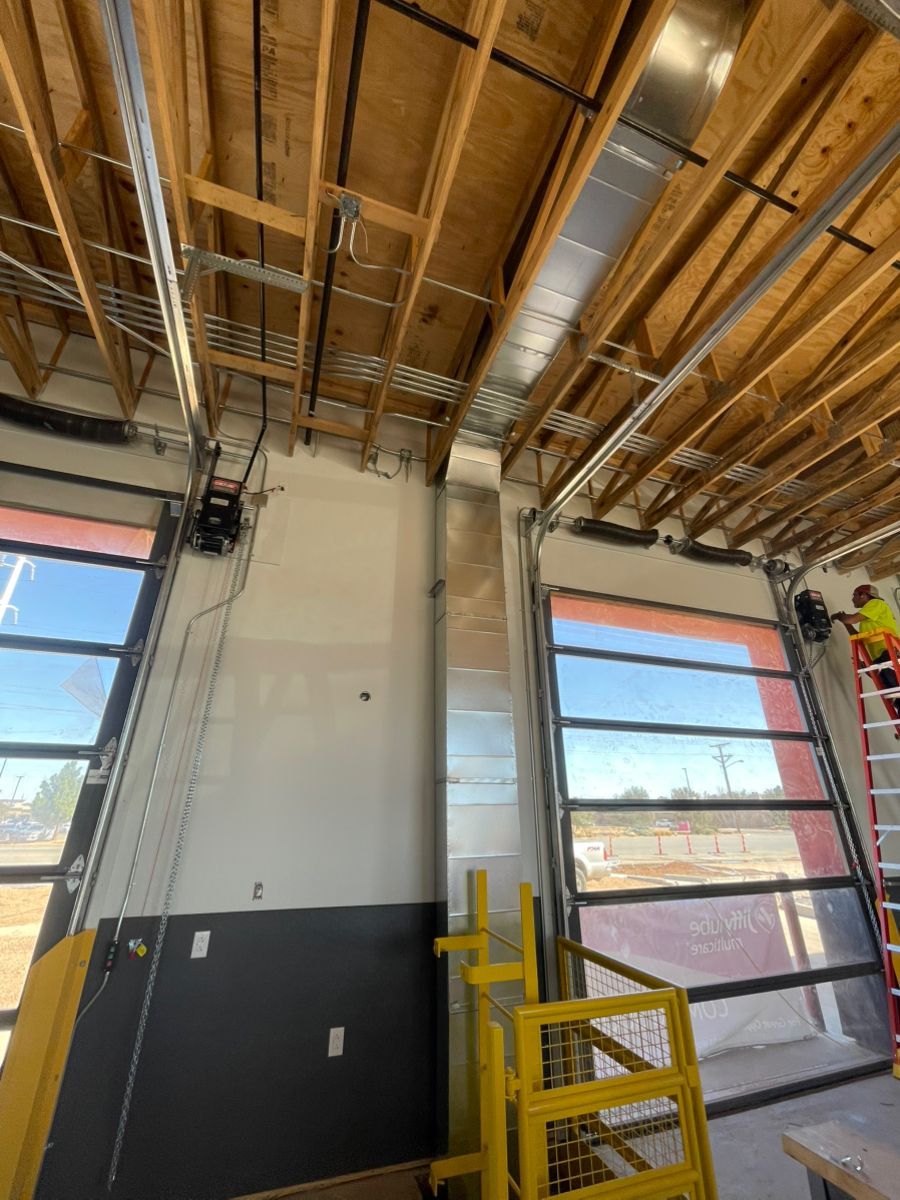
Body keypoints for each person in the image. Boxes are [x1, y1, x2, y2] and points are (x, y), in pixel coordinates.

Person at [832, 583, 900, 718]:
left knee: (896, 689)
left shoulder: (876, 603)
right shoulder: (867, 620)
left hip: (889, 653)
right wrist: (845, 621)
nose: (852, 599)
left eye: (854, 595)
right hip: (881, 657)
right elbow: (856, 636)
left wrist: (840, 617)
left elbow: (851, 619)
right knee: (895, 694)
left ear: (863, 595)